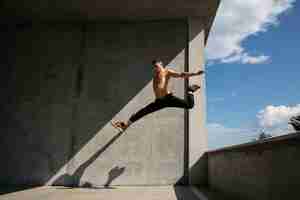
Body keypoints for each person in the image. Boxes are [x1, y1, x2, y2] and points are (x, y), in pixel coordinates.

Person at [111, 59, 205, 132]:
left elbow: (181, 74)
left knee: (189, 105)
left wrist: (195, 73)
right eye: (154, 67)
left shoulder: (167, 72)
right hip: (159, 101)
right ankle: (125, 125)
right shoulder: (155, 76)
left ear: (161, 64)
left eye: (157, 65)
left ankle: (190, 90)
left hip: (168, 99)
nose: (155, 68)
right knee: (144, 111)